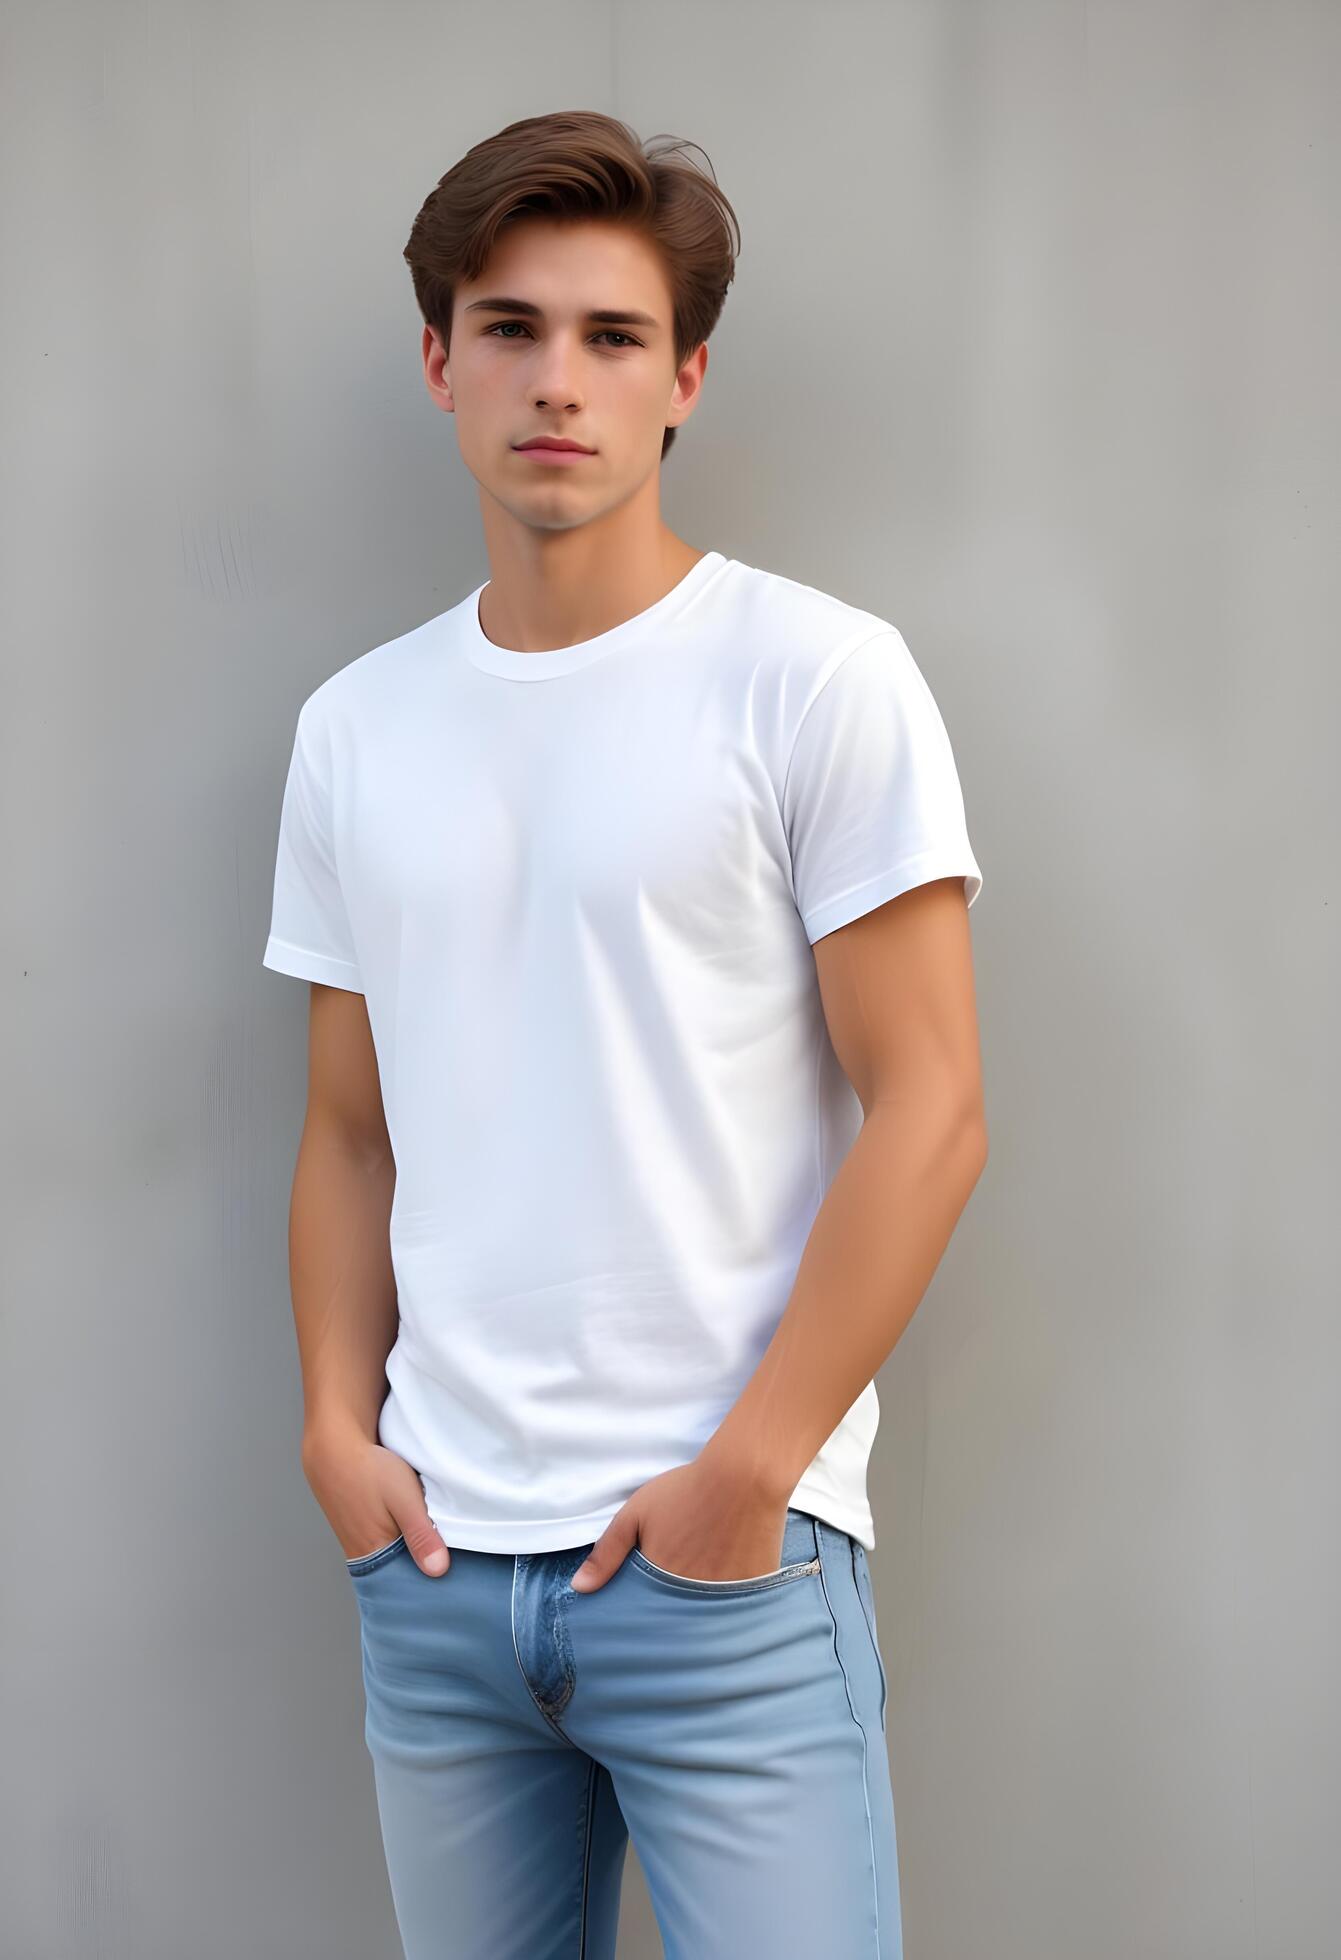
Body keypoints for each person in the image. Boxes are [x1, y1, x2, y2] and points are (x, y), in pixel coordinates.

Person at [262, 108, 987, 1960]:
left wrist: (752, 1475)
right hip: (434, 1585)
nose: (555, 383)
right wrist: (339, 1436)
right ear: (439, 363)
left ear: (685, 381)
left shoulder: (812, 678)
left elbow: (933, 1108)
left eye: (610, 338)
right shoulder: (357, 726)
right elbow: (349, 1129)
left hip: (725, 1577)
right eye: (507, 329)